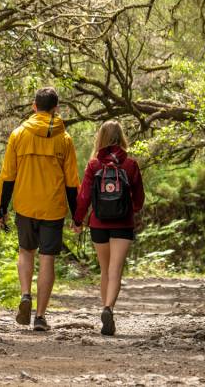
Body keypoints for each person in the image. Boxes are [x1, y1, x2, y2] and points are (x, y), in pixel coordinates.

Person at [0, 87, 80, 331]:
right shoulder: (65, 139)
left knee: (25, 251)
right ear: (56, 109)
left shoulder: (19, 134)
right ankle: (40, 316)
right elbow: (72, 181)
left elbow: (7, 176)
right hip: (53, 207)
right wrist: (77, 215)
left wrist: (0, 209)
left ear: (34, 106)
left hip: (25, 204)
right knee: (48, 260)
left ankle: (24, 294)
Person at [72, 120, 144, 336]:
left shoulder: (94, 165)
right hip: (123, 223)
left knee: (105, 270)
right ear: (121, 137)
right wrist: (131, 209)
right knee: (115, 270)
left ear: (101, 138)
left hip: (98, 223)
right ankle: (108, 308)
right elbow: (139, 199)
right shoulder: (130, 164)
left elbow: (84, 196)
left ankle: (105, 311)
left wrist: (77, 220)